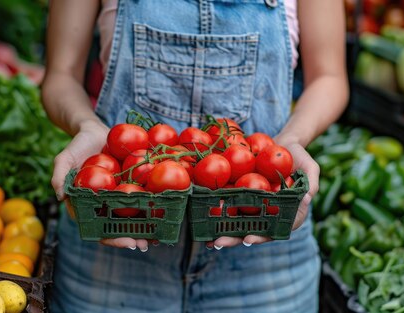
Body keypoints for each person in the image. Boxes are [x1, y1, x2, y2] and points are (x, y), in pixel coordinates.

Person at [41, 0, 347, 312]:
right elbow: (60, 75)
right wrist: (88, 126)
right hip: (113, 241)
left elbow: (330, 77)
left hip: (265, 254)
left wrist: (292, 139)